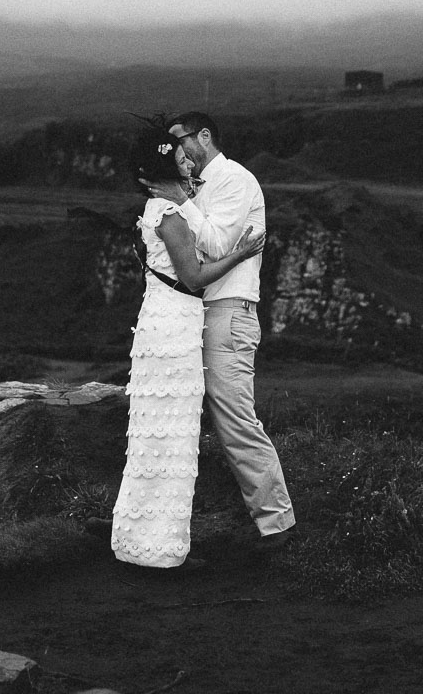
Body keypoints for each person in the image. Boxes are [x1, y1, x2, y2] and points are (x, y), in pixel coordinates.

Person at [111, 118, 265, 569]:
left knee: (156, 433)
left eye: (186, 151)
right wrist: (242, 253)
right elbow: (194, 275)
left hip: (169, 318)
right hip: (175, 323)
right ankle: (159, 547)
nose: (187, 160)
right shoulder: (170, 211)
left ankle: (141, 538)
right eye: (178, 157)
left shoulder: (167, 205)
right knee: (171, 436)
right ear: (165, 167)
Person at [164, 111, 296, 550]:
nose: (176, 150)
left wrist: (179, 202)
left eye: (180, 140)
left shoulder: (236, 180)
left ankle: (279, 526)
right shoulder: (194, 186)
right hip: (200, 311)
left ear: (205, 136)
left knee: (235, 418)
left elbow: (219, 244)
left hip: (229, 312)